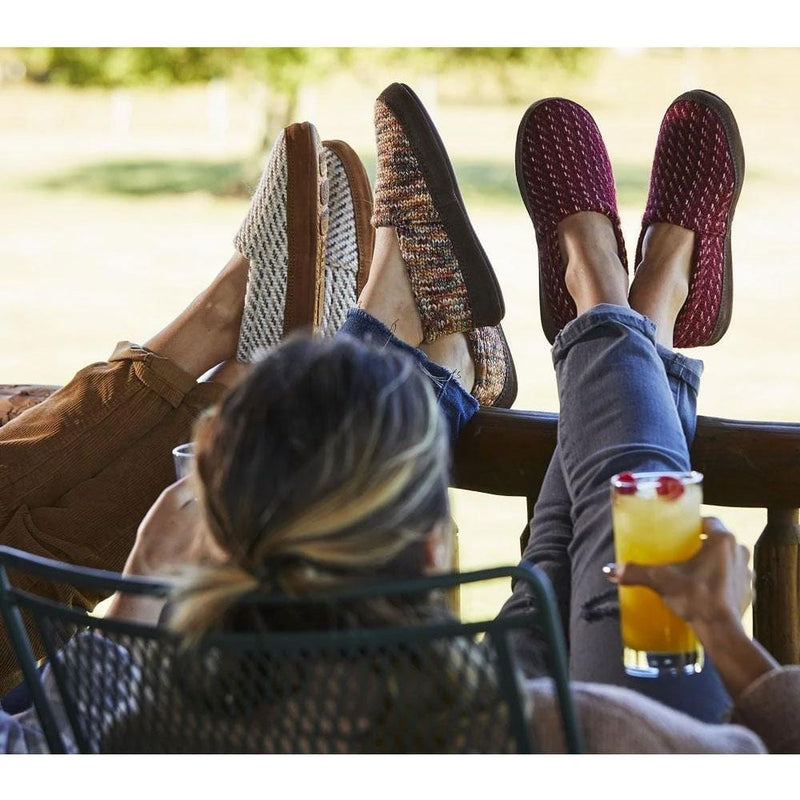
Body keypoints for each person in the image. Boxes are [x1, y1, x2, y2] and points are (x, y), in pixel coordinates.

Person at [1, 83, 798, 753]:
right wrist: (725, 632)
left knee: (548, 579)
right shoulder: (600, 733)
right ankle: (631, 295)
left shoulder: (159, 733)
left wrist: (140, 600)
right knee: (616, 548)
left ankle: (609, 299)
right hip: (566, 719)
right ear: (435, 556)